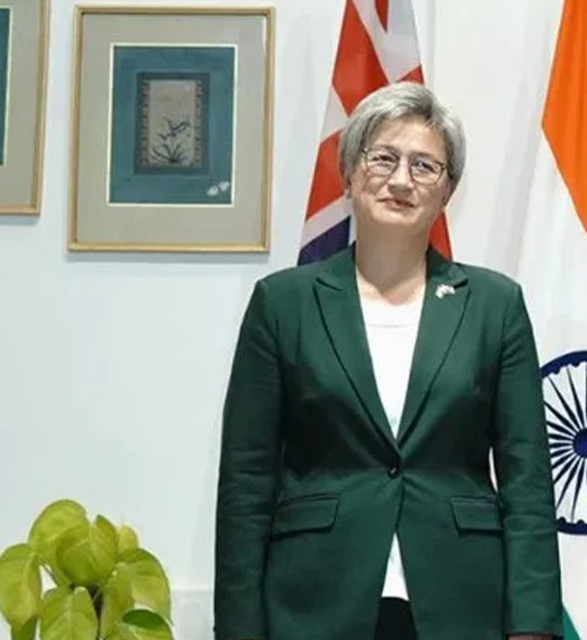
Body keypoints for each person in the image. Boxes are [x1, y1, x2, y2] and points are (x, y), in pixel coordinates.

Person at [214, 82, 561, 640]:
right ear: (350, 174)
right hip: (313, 603)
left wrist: (533, 625)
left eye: (425, 166)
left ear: (447, 191)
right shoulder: (282, 304)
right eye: (383, 158)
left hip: (461, 602)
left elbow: (527, 483)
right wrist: (238, 627)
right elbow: (246, 485)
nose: (401, 180)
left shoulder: (496, 306)